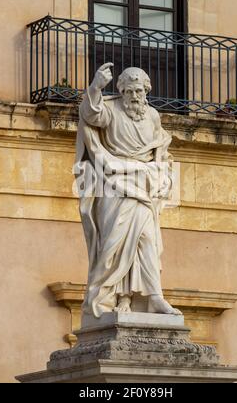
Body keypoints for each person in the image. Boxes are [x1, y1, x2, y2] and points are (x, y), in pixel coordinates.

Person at [76, 63, 182, 318]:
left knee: (147, 239)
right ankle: (116, 296)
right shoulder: (110, 110)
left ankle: (152, 296)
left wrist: (162, 174)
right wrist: (96, 87)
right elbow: (91, 115)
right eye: (129, 92)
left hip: (144, 185)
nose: (135, 97)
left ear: (146, 92)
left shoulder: (153, 116)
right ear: (121, 91)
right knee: (115, 243)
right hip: (115, 182)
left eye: (139, 92)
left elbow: (159, 149)